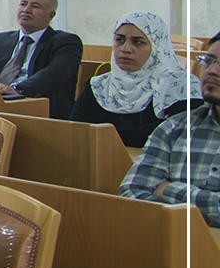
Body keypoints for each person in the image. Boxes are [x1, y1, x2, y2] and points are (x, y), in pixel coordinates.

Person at [121, 33, 220, 227]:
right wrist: (181, 227)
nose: (212, 70)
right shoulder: (174, 128)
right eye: (209, 61)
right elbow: (131, 191)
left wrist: (168, 190)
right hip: (175, 241)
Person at [71, 12, 199, 147]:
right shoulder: (99, 86)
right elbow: (76, 133)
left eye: (138, 42)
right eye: (120, 40)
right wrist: (146, 131)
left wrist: (103, 132)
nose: (125, 49)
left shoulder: (182, 88)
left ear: (158, 47)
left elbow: (177, 138)